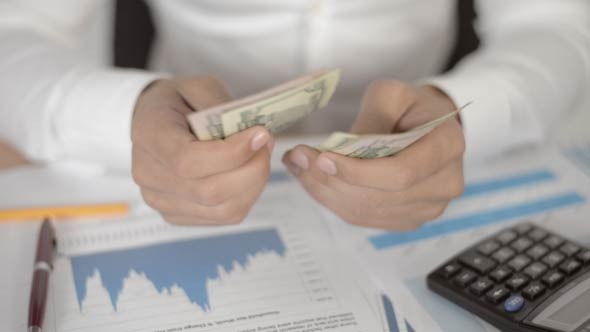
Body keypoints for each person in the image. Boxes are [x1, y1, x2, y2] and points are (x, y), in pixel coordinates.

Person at [0, 1, 588, 229]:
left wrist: (464, 119)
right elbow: (15, 32)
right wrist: (124, 119)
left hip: (449, 182)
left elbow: (553, 22)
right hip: (164, 187)